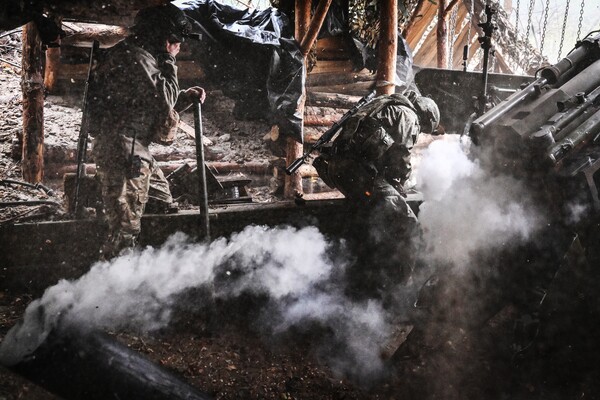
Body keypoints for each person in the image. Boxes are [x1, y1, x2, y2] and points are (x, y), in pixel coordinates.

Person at [89, 4, 206, 259]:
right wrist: (169, 59)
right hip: (124, 151)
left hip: (133, 148)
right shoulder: (137, 58)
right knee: (124, 229)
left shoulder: (136, 55)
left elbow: (150, 104)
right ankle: (115, 275)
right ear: (163, 38)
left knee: (161, 204)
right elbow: (162, 100)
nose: (177, 46)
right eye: (174, 41)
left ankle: (147, 263)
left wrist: (184, 97)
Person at [313, 91, 440, 298]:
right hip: (360, 173)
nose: (421, 131)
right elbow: (400, 155)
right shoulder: (408, 115)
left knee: (371, 221)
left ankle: (358, 284)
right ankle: (401, 291)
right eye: (424, 128)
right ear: (426, 117)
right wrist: (403, 180)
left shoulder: (381, 105)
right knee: (408, 226)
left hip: (337, 170)